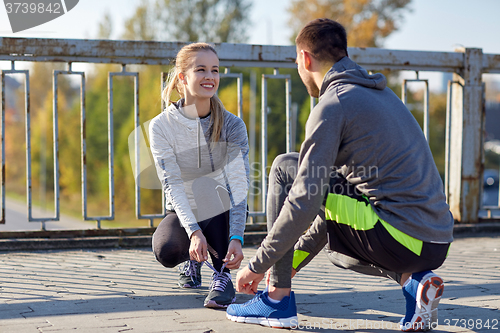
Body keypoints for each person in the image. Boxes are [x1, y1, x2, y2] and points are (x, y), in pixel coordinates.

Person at [226, 19, 453, 331]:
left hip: (398, 236)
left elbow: (304, 200)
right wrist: (290, 262)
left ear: (305, 58)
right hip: (434, 242)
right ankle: (416, 284)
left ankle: (277, 300)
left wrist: (258, 265)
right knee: (337, 233)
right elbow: (331, 206)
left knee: (283, 168)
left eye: (297, 62)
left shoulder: (334, 103)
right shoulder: (381, 96)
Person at [149, 42, 250, 309]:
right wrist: (193, 231)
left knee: (207, 185)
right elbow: (172, 185)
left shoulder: (232, 125)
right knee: (166, 250)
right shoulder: (162, 126)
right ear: (182, 78)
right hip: (184, 210)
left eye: (215, 70)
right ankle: (194, 260)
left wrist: (237, 238)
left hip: (221, 207)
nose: (210, 77)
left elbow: (239, 186)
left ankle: (222, 276)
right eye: (201, 69)